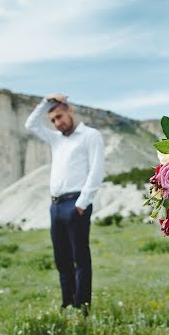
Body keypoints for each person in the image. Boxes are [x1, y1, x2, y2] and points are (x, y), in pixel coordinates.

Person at [25, 93, 105, 313]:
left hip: (76, 204)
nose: (57, 123)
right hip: (56, 205)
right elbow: (30, 124)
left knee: (80, 258)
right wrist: (46, 102)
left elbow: (96, 171)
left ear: (70, 111)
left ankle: (83, 307)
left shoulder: (90, 136)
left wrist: (81, 204)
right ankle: (67, 304)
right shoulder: (56, 139)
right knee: (62, 260)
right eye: (52, 120)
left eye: (59, 116)